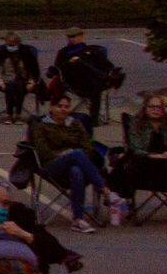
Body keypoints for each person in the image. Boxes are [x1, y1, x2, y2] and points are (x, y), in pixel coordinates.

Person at [29, 94, 108, 232]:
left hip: (79, 164)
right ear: (51, 107)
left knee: (76, 169)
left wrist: (73, 154)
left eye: (66, 107)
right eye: (60, 106)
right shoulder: (40, 126)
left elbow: (88, 148)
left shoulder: (76, 124)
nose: (63, 109)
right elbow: (43, 152)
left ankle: (77, 220)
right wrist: (65, 154)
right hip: (52, 165)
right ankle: (105, 189)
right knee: (76, 154)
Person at [54, 28, 124, 125]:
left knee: (96, 84)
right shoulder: (64, 52)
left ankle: (94, 118)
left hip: (94, 82)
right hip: (75, 81)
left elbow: (107, 65)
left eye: (74, 36)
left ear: (81, 37)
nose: (71, 39)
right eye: (69, 37)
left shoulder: (92, 50)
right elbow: (57, 67)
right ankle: (110, 79)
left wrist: (113, 70)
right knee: (79, 62)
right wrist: (69, 62)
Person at [0, 32, 43, 123]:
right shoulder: (3, 52)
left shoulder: (26, 53)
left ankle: (17, 114)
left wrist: (32, 82)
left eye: (12, 44)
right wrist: (0, 82)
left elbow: (33, 69)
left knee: (18, 85)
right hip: (7, 80)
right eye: (7, 44)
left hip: (24, 80)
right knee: (11, 86)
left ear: (17, 43)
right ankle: (10, 114)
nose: (9, 46)